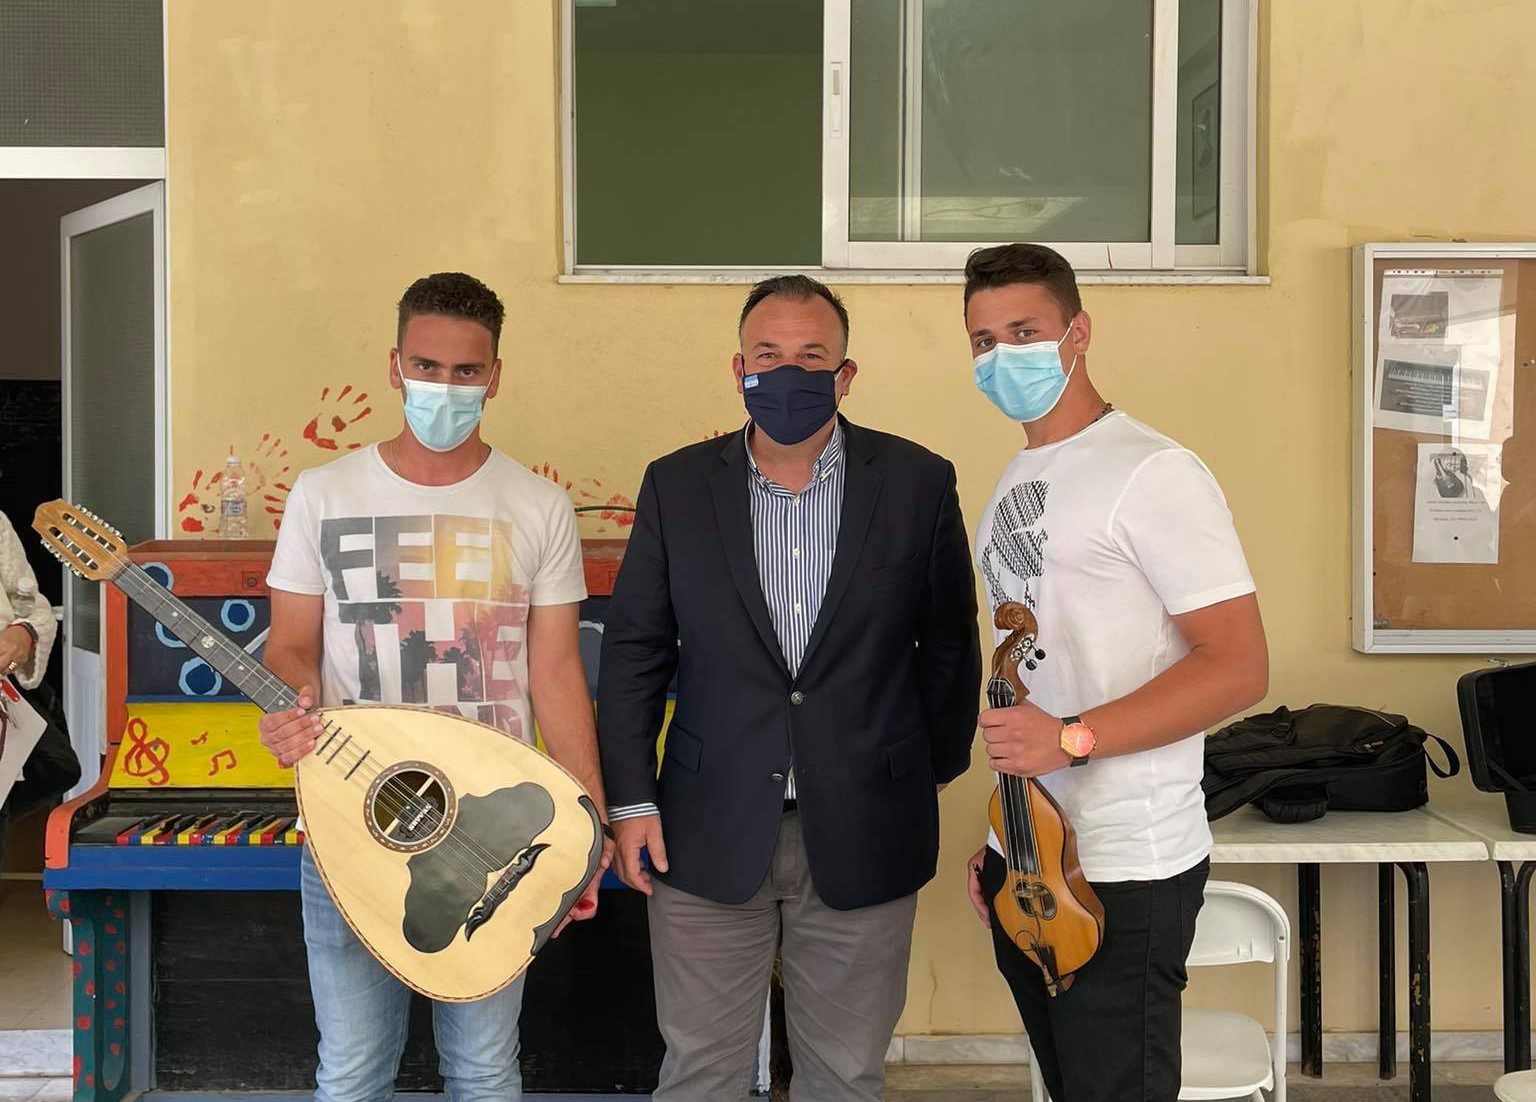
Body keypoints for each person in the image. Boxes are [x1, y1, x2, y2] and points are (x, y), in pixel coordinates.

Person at [597, 275, 982, 1102]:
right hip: (703, 828)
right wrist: (629, 801)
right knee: (700, 1074)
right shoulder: (677, 484)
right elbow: (634, 651)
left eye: (812, 357)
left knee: (844, 1076)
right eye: (768, 355)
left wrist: (925, 771)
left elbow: (950, 643)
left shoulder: (916, 481)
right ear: (738, 369)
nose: (787, 373)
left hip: (868, 823)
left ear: (846, 374)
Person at [256, 272, 611, 1102]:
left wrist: (587, 825)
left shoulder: (538, 506)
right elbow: (290, 644)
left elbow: (557, 674)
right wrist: (292, 702)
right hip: (351, 817)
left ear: (494, 377)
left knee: (484, 1070)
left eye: (465, 371)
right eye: (425, 366)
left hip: (491, 829)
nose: (443, 387)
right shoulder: (323, 493)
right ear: (394, 366)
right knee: (351, 1072)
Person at [960, 243, 1269, 1102]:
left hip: (1128, 865)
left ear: (1079, 332)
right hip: (1036, 855)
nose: (1002, 355)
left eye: (1025, 332)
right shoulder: (1019, 477)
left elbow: (1239, 666)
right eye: (984, 340)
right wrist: (1012, 835)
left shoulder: (1152, 471)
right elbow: (1035, 671)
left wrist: (1071, 740)